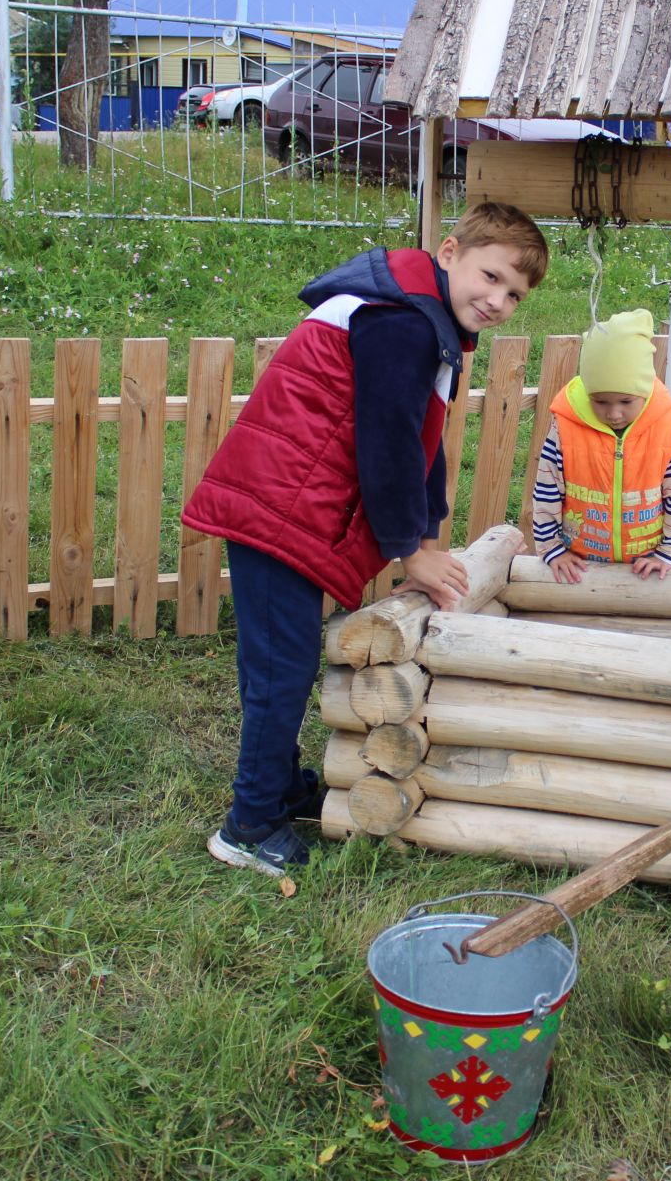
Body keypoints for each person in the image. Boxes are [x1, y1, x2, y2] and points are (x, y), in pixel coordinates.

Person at [181, 202, 550, 875]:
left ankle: (280, 784)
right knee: (280, 671)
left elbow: (420, 442)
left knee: (281, 665)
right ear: (448, 252)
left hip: (290, 501)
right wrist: (412, 548)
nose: (497, 300)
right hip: (280, 503)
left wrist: (427, 535)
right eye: (490, 276)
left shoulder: (418, 315)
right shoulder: (403, 323)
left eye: (514, 295)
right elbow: (385, 445)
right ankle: (249, 825)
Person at [531, 309, 671, 583]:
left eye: (625, 402)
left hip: (656, 570)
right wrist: (552, 549)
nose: (613, 414)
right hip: (582, 569)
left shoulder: (668, 426)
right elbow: (547, 490)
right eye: (600, 402)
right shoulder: (565, 425)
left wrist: (670, 553)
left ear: (644, 390)